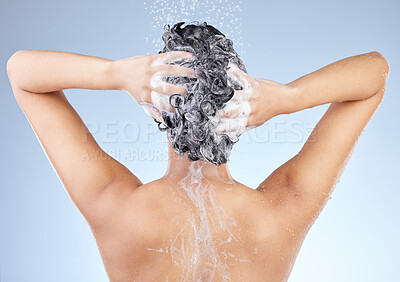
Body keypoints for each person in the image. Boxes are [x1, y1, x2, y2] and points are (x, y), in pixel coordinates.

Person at [7, 22, 389, 282]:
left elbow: (22, 74)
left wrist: (116, 73)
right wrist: (288, 97)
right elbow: (375, 74)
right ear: (244, 104)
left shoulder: (114, 205)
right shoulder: (283, 208)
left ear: (156, 106)